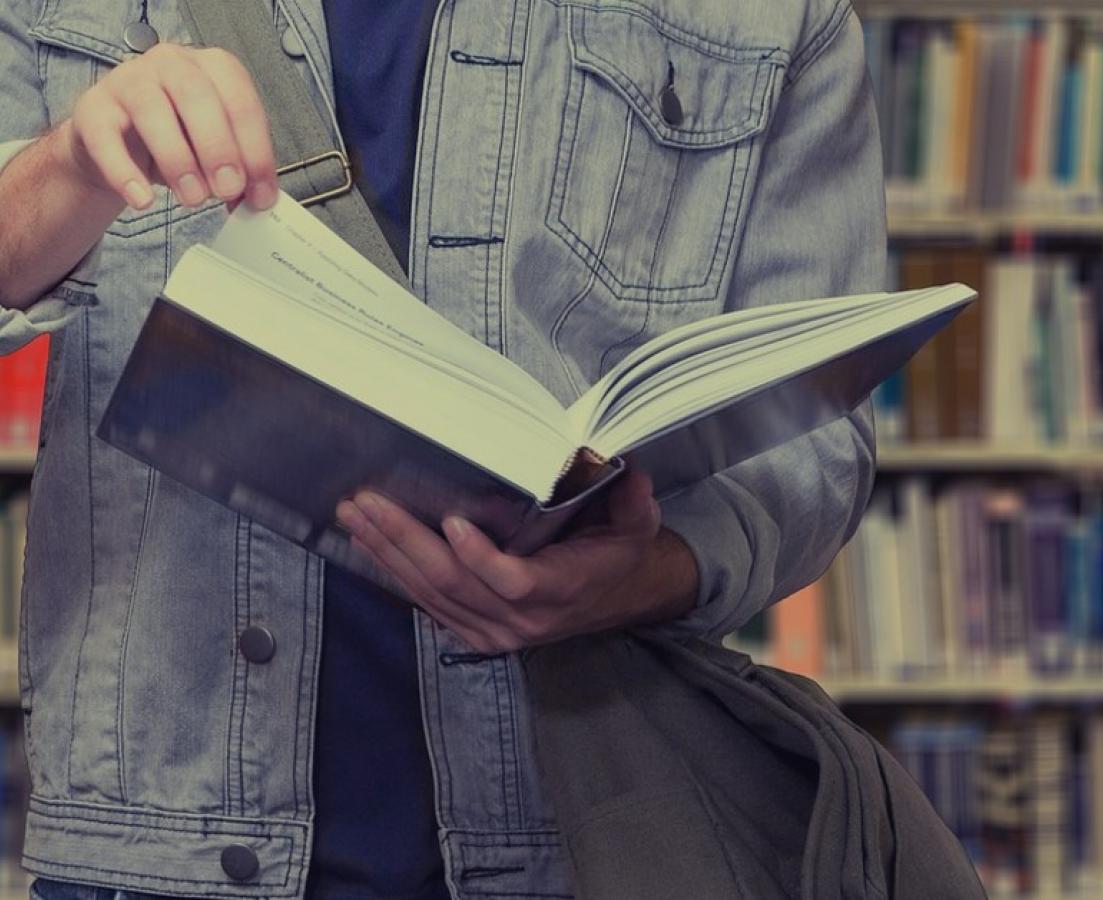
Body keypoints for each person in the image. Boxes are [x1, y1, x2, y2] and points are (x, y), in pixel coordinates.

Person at [0, 0, 882, 897]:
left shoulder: (779, 16)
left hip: (577, 840)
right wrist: (72, 163)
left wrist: (645, 573)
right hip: (155, 848)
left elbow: (817, 435)